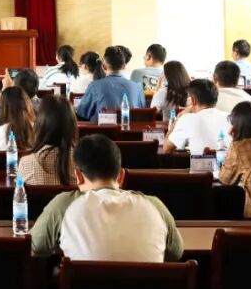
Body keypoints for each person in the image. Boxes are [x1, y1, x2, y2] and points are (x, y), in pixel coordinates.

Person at [30, 134, 183, 262]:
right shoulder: (155, 206)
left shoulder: (63, 206)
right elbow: (176, 253)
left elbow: (34, 246)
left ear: (78, 176)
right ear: (121, 176)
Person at [18, 95, 77, 186]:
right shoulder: (83, 162)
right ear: (72, 125)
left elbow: (19, 192)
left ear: (40, 124)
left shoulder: (26, 163)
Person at [75, 46, 144, 123]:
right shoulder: (137, 88)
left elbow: (82, 114)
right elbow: (142, 113)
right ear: (124, 66)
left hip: (102, 130)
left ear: (103, 66)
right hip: (129, 130)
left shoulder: (94, 86)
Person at [163, 79, 231, 155]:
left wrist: (179, 117)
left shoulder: (187, 119)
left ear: (193, 100)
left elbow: (166, 149)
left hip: (201, 163)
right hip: (229, 162)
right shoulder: (230, 117)